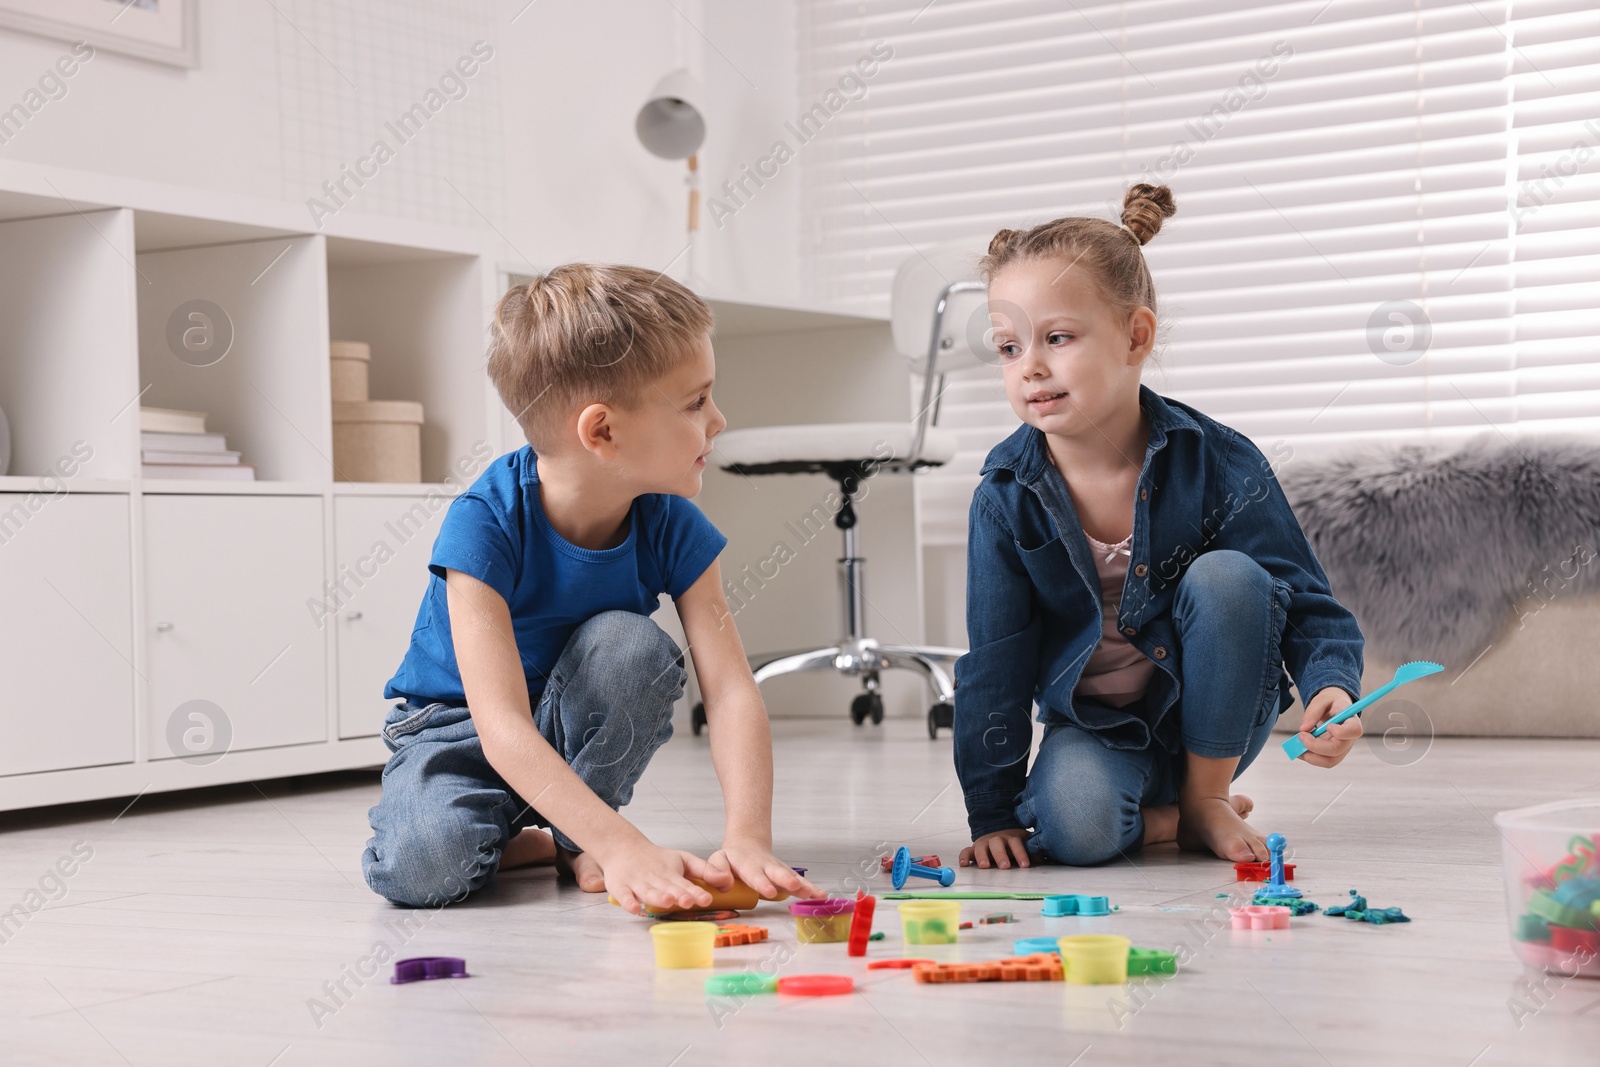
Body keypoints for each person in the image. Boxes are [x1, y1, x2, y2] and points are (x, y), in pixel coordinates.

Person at [362, 263, 819, 913]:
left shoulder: (671, 525)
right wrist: (627, 844)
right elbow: (501, 726)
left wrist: (748, 836)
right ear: (602, 430)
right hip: (459, 729)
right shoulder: (484, 523)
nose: (718, 420)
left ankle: (580, 837)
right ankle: (551, 838)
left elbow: (731, 689)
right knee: (423, 871)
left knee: (632, 645)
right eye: (696, 401)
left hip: (568, 728)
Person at [954, 184, 1366, 870]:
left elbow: (1306, 597)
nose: (1029, 365)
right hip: (1096, 727)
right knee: (1077, 830)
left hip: (1214, 715)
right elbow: (994, 661)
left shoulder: (1220, 460)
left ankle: (1205, 795)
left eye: (1057, 338)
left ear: (1135, 336)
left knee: (1231, 575)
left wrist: (1334, 685)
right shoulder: (1005, 495)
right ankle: (1168, 820)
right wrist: (993, 810)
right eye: (1007, 346)